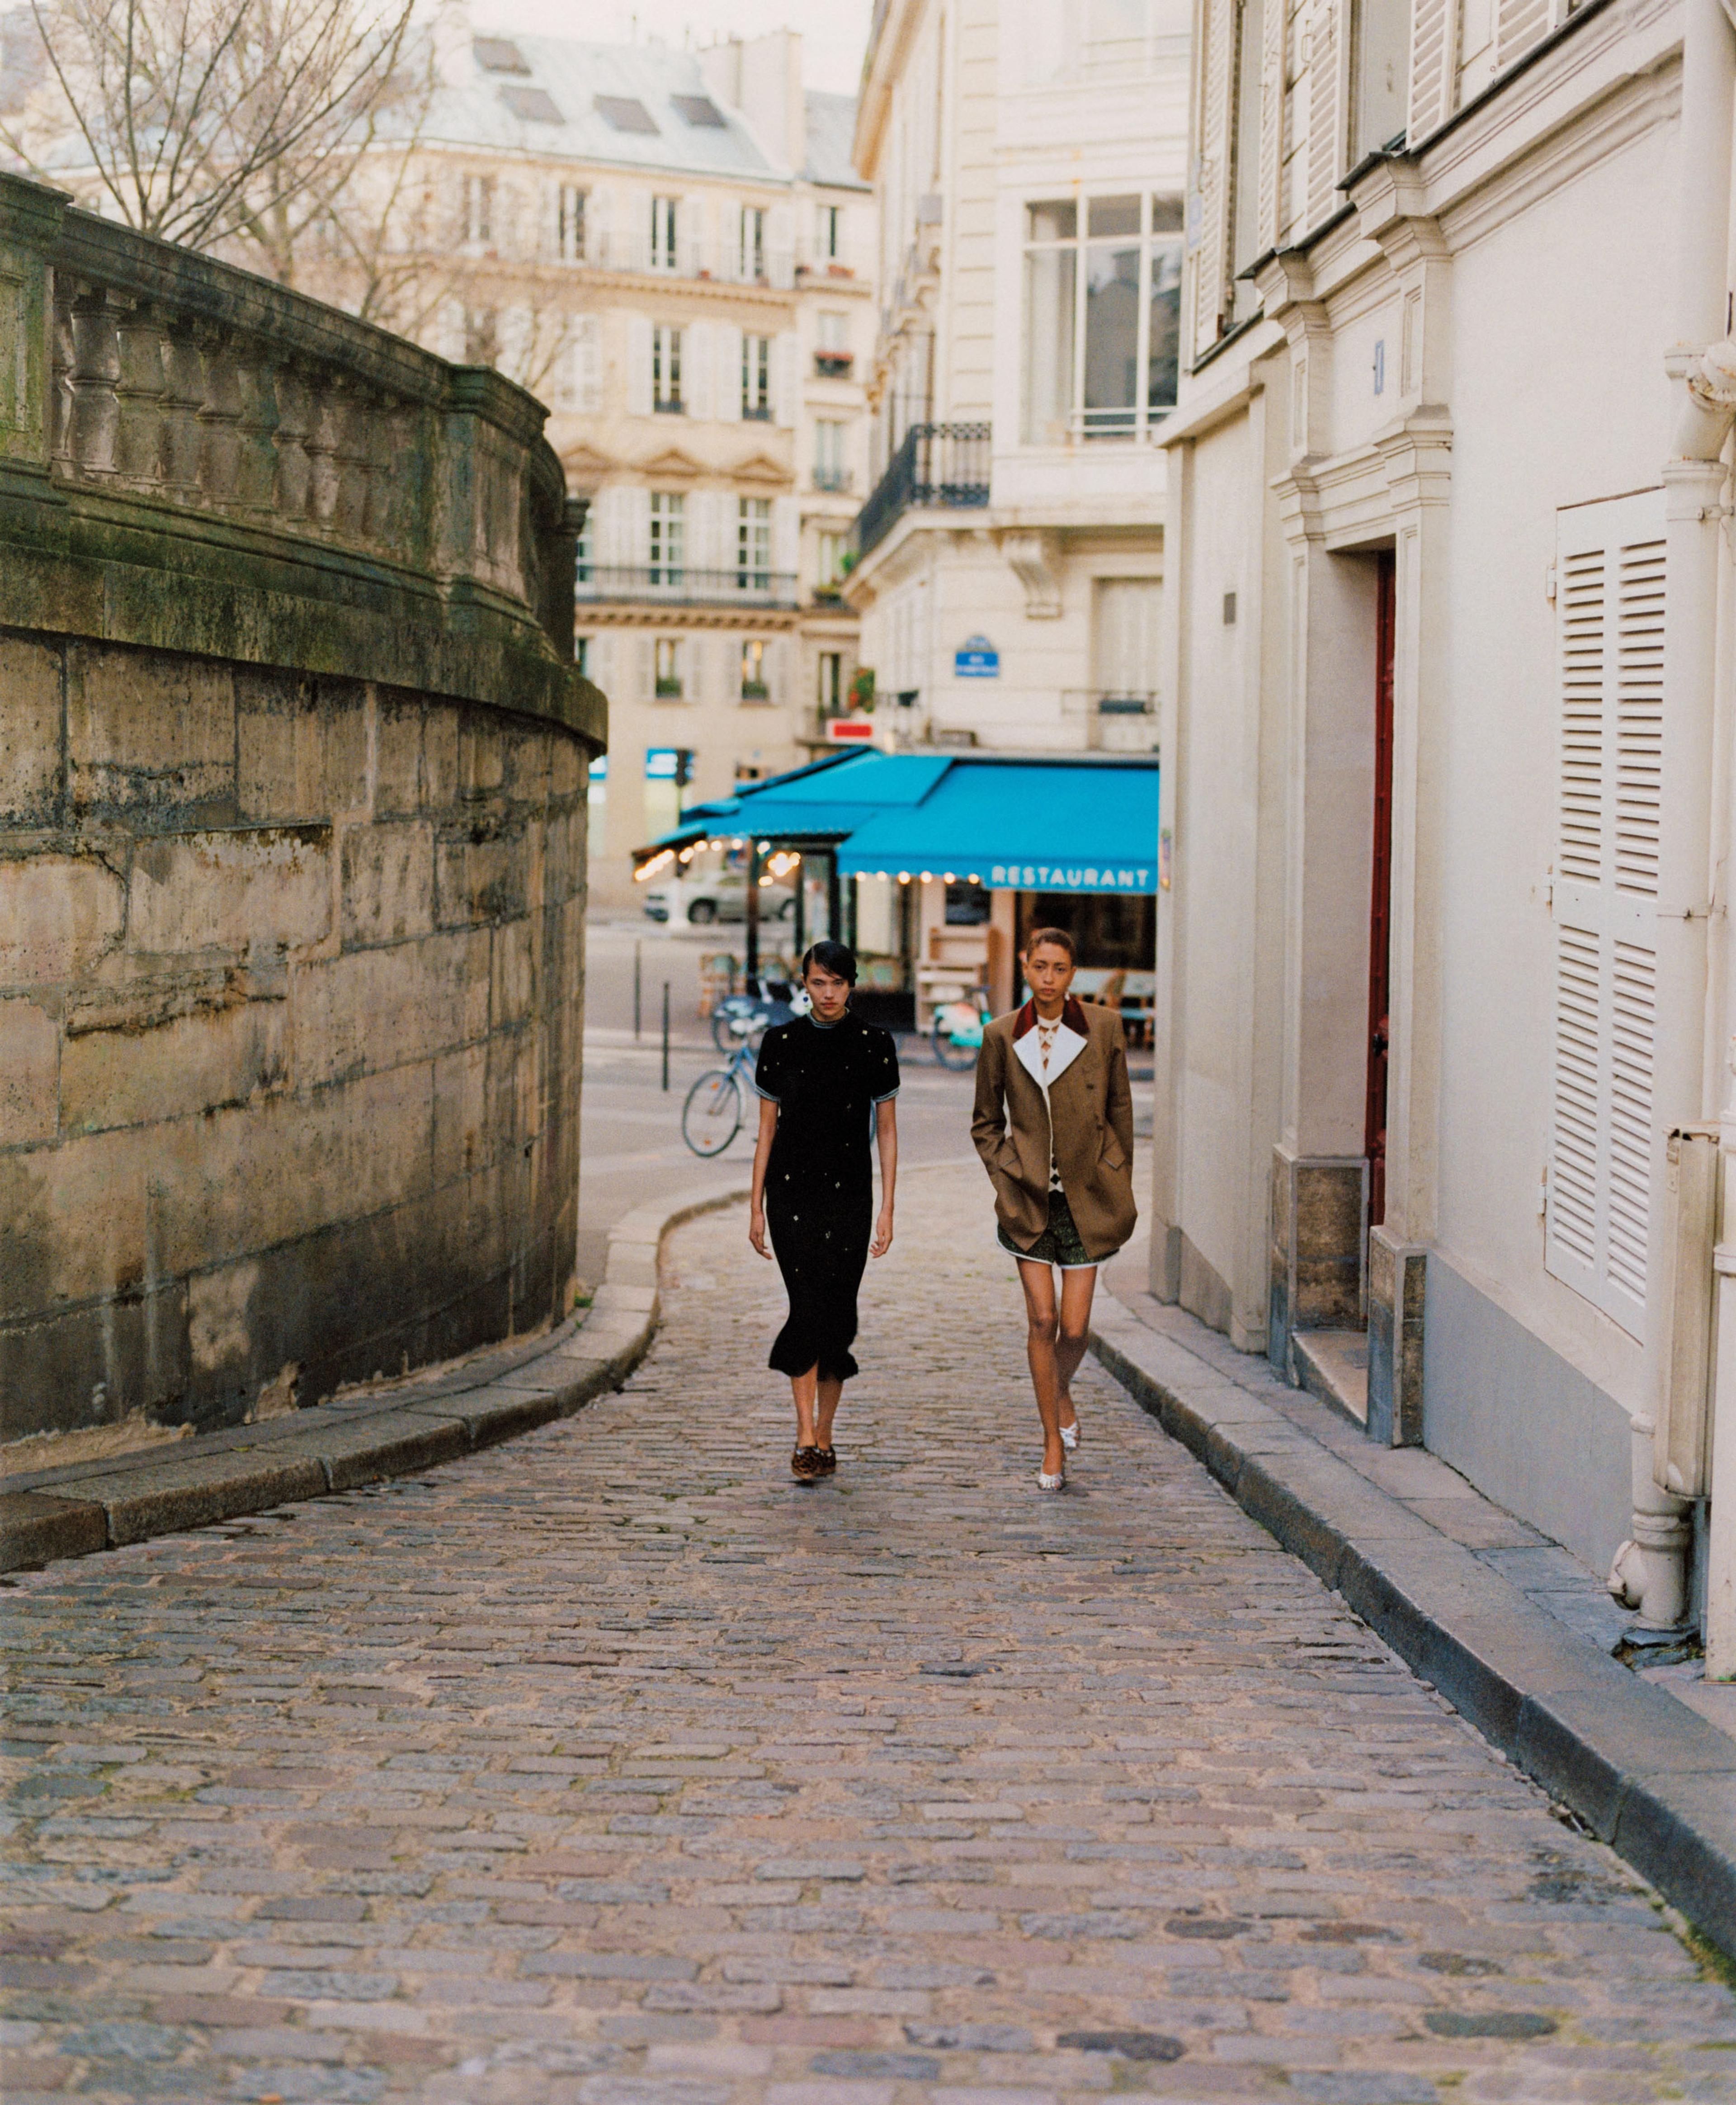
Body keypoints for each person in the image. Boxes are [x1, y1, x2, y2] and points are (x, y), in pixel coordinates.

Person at [970, 927, 1137, 1490]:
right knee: (1042, 1320)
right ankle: (1051, 1440)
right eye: (1039, 966)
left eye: (1059, 967)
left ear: (1072, 973)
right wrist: (1007, 1172)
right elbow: (986, 1121)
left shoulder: (1103, 1027)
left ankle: (1058, 1388)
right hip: (1028, 1200)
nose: (1048, 977)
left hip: (1087, 1198)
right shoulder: (999, 1035)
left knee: (1076, 1326)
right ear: (1026, 967)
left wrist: (1116, 1173)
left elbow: (1120, 1107)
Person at [749, 939, 900, 1482]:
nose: (828, 992)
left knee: (837, 1315)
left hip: (849, 1196)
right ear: (804, 983)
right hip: (791, 1194)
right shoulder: (780, 1042)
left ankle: (826, 1432)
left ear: (851, 984)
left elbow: (888, 1131)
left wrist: (888, 1208)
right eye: (819, 982)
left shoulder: (875, 1044)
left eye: (837, 982)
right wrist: (755, 1206)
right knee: (806, 1307)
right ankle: (805, 1436)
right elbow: (766, 1130)